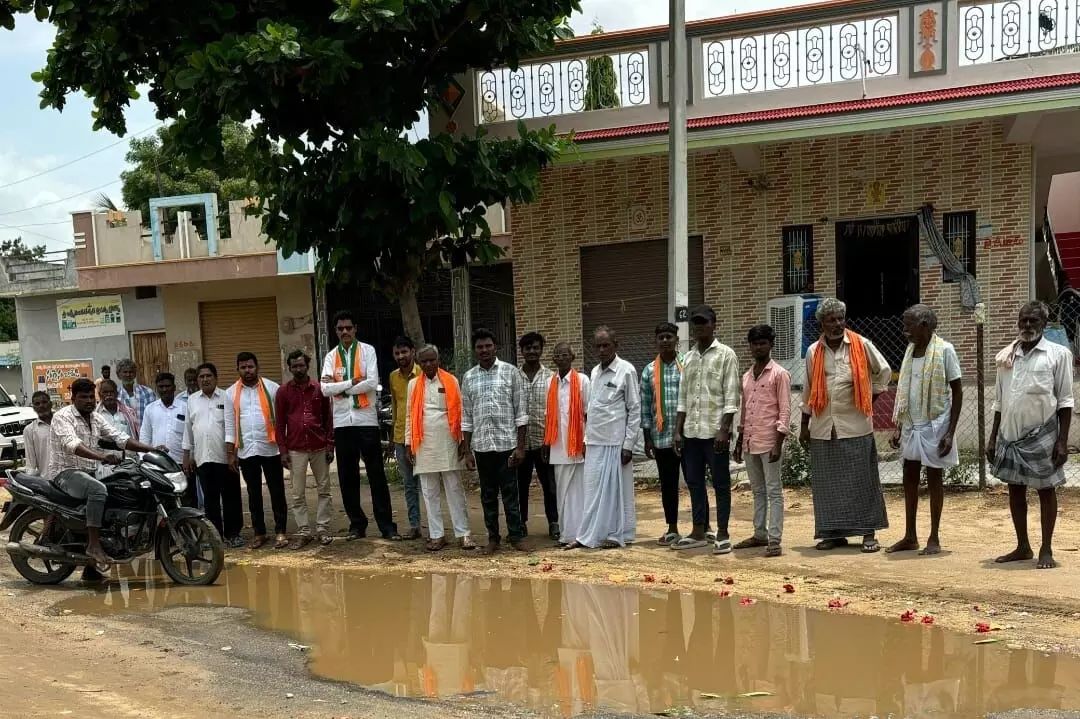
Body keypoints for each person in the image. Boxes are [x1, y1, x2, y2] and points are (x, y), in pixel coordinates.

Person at [799, 297, 892, 553]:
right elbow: (807, 390)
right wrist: (804, 425)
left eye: (841, 318)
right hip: (822, 427)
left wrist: (868, 398)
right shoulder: (813, 352)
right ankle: (832, 533)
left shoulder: (861, 345)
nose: (838, 324)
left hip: (856, 425)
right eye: (832, 320)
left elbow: (883, 371)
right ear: (822, 324)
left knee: (862, 481)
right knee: (828, 485)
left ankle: (867, 533)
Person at [988, 301, 1073, 570]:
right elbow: (999, 402)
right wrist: (992, 438)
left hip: (1043, 434)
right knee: (1015, 489)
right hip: (1010, 435)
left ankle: (1045, 549)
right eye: (1023, 320)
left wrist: (1062, 442)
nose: (1027, 326)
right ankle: (1022, 546)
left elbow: (1066, 401)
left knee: (1046, 490)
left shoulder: (1058, 355)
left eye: (1033, 321)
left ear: (1044, 324)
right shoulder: (1006, 357)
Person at [47, 378, 161, 567]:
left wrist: (151, 449)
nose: (89, 401)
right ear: (73, 398)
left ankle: (101, 554)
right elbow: (74, 445)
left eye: (91, 397)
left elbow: (120, 438)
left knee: (120, 487)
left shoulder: (95, 417)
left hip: (89, 472)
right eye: (83, 397)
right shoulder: (62, 416)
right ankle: (93, 545)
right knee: (98, 490)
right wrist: (102, 457)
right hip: (65, 473)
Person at [887, 305, 963, 556]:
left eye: (909, 325)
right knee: (909, 476)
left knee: (934, 478)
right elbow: (905, 391)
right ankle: (910, 536)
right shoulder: (910, 351)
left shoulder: (945, 350)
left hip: (936, 424)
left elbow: (958, 391)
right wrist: (898, 426)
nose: (904, 330)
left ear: (925, 326)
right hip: (911, 423)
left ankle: (934, 537)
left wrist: (950, 432)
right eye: (904, 325)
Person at [321, 310, 400, 540]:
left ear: (355, 328)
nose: (344, 331)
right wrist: (352, 382)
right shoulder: (330, 356)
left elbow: (372, 382)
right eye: (340, 328)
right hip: (343, 423)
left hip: (366, 421)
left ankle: (387, 526)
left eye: (348, 327)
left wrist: (340, 387)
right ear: (336, 331)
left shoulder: (367, 351)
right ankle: (357, 524)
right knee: (347, 476)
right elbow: (325, 389)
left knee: (376, 474)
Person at [566, 326, 640, 550]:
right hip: (595, 441)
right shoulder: (595, 372)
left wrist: (628, 445)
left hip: (616, 443)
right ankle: (589, 535)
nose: (601, 349)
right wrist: (587, 440)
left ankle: (617, 534)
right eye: (597, 345)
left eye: (606, 344)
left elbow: (634, 409)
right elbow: (593, 410)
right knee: (592, 491)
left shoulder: (626, 370)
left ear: (616, 345)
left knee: (618, 492)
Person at [673, 305, 740, 554]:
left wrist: (725, 429)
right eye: (696, 323)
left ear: (714, 324)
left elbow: (731, 397)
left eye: (704, 322)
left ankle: (722, 533)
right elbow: (683, 398)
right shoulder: (688, 357)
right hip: (691, 433)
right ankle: (699, 530)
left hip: (715, 434)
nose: (699, 327)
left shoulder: (726, 355)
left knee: (721, 483)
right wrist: (677, 431)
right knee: (694, 482)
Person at [460, 327, 528, 555]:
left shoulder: (510, 373)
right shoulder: (469, 377)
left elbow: (521, 413)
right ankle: (493, 539)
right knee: (487, 495)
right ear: (475, 350)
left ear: (495, 347)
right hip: (481, 447)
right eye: (480, 347)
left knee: (511, 493)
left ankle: (516, 536)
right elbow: (466, 417)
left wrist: (520, 447)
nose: (484, 350)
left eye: (488, 345)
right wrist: (468, 451)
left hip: (507, 445)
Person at [405, 345, 474, 551]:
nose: (428, 364)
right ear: (419, 363)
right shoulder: (413, 385)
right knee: (429, 490)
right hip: (423, 442)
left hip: (448, 440)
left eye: (431, 360)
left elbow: (460, 411)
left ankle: (463, 534)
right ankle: (437, 535)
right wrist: (409, 444)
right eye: (423, 361)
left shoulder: (451, 380)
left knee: (454, 488)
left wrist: (462, 440)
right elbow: (409, 416)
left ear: (438, 360)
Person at [732, 324, 791, 557]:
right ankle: (759, 533)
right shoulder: (746, 377)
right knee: (757, 490)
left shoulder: (780, 374)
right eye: (755, 343)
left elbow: (784, 410)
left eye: (763, 343)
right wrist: (739, 440)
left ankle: (774, 539)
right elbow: (745, 410)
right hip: (749, 441)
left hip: (770, 441)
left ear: (771, 344)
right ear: (750, 346)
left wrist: (779, 441)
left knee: (774, 490)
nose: (758, 347)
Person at [225, 352, 288, 550]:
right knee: (253, 494)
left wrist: (283, 447)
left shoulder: (272, 388)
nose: (247, 370)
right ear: (238, 369)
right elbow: (229, 424)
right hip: (246, 450)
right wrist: (231, 453)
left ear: (257, 367)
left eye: (250, 366)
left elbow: (281, 419)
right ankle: (259, 533)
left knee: (277, 491)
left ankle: (280, 531)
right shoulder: (231, 393)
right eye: (243, 367)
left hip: (270, 448)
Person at [275, 349, 335, 549]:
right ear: (289, 368)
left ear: (307, 366)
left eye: (301, 365)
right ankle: (303, 531)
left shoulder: (319, 389)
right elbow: (280, 423)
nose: (298, 369)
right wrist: (283, 451)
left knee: (324, 490)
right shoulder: (283, 392)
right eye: (294, 366)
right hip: (295, 448)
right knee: (297, 493)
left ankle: (323, 529)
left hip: (319, 446)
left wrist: (330, 444)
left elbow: (328, 419)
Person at [183, 363, 245, 547]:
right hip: (203, 458)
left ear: (215, 378)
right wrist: (187, 455)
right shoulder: (192, 400)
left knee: (231, 497)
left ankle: (233, 534)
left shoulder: (226, 397)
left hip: (226, 458)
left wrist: (230, 454)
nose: (205, 379)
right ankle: (215, 536)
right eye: (201, 377)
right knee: (210, 500)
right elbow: (189, 429)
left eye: (208, 376)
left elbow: (230, 427)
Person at [640, 322, 684, 546]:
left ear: (677, 339)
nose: (665, 341)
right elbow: (646, 405)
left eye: (669, 337)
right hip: (661, 437)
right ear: (656, 341)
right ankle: (672, 528)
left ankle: (703, 527)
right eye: (661, 337)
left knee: (696, 483)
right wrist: (647, 438)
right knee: (668, 484)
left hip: (688, 437)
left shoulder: (687, 364)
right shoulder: (649, 370)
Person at [542, 342, 589, 547]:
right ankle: (565, 534)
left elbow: (588, 413)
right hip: (558, 446)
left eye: (565, 355)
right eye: (557, 355)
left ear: (572, 357)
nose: (561, 358)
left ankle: (580, 534)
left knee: (579, 491)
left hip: (578, 445)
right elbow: (547, 415)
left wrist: (587, 440)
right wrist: (546, 443)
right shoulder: (550, 383)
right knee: (561, 491)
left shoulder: (582, 381)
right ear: (553, 359)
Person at [518, 331, 559, 540]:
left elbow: (555, 411)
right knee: (520, 485)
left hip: (545, 442)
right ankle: (521, 524)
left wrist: (550, 440)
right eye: (528, 348)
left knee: (550, 485)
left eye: (536, 347)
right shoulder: (514, 377)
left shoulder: (552, 377)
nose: (532, 351)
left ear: (541, 350)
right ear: (522, 351)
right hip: (521, 444)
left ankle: (554, 522)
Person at [140, 372, 195, 505]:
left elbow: (192, 435)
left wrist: (191, 457)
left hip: (182, 463)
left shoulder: (185, 407)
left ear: (174, 387)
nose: (164, 389)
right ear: (156, 389)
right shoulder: (150, 409)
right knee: (164, 502)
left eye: (167, 386)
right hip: (158, 464)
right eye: (161, 387)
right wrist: (143, 459)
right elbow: (145, 436)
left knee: (187, 500)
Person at [390, 335, 423, 541]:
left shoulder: (423, 373)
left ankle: (436, 529)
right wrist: (394, 437)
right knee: (409, 484)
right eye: (397, 353)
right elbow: (395, 407)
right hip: (401, 437)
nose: (401, 356)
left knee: (428, 484)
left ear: (412, 352)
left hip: (422, 438)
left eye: (404, 352)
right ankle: (415, 525)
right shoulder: (393, 377)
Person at [96, 378, 140, 475]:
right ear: (100, 394)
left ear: (117, 393)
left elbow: (134, 436)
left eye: (111, 392)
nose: (109, 395)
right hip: (104, 464)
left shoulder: (129, 413)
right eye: (105, 392)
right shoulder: (95, 416)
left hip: (127, 462)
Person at [115, 358, 156, 425]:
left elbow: (154, 415)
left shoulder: (148, 393)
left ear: (135, 374)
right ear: (119, 375)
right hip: (125, 434)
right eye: (125, 372)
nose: (128, 375)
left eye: (131, 372)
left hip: (144, 433)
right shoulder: (116, 395)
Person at [22, 391, 53, 477]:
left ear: (50, 404)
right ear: (34, 407)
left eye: (44, 402)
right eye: (37, 404)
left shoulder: (62, 423)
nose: (41, 406)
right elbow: (31, 463)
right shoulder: (30, 430)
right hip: (47, 480)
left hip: (69, 478)